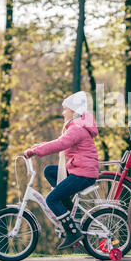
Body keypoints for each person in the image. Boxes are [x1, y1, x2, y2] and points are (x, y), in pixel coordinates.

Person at [24, 91, 99, 249]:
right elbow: (61, 142)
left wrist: (36, 152)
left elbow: (60, 144)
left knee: (51, 199)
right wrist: (40, 146)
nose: (63, 112)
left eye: (65, 109)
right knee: (50, 171)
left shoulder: (77, 128)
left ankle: (72, 232)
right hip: (79, 170)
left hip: (82, 174)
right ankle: (67, 204)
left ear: (73, 111)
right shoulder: (77, 126)